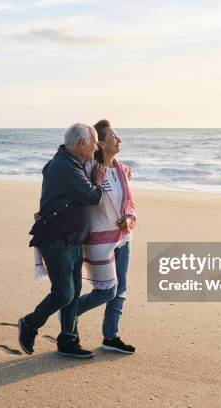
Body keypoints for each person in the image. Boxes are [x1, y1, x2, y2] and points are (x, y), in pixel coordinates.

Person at [18, 123, 106, 359]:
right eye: (95, 142)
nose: (96, 147)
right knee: (64, 293)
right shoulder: (64, 167)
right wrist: (98, 179)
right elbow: (92, 196)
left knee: (74, 292)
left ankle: (68, 340)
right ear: (81, 143)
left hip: (72, 240)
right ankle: (30, 323)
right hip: (57, 241)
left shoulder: (70, 163)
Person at [77, 119, 137, 354]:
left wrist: (129, 219)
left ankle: (111, 337)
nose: (119, 140)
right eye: (113, 137)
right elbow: (83, 198)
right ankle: (70, 311)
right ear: (100, 144)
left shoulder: (122, 171)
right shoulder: (89, 169)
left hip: (123, 238)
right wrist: (96, 182)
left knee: (120, 288)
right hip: (99, 240)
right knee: (105, 291)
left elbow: (129, 204)